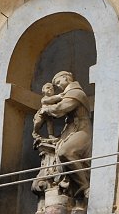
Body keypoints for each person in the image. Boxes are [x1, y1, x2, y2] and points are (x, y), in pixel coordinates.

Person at [38, 71, 92, 199]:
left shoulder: (76, 92)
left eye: (58, 82)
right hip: (71, 129)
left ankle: (84, 187)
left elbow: (61, 108)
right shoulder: (67, 93)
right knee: (59, 154)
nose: (58, 86)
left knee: (65, 152)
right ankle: (71, 190)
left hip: (82, 129)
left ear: (66, 78)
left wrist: (47, 109)